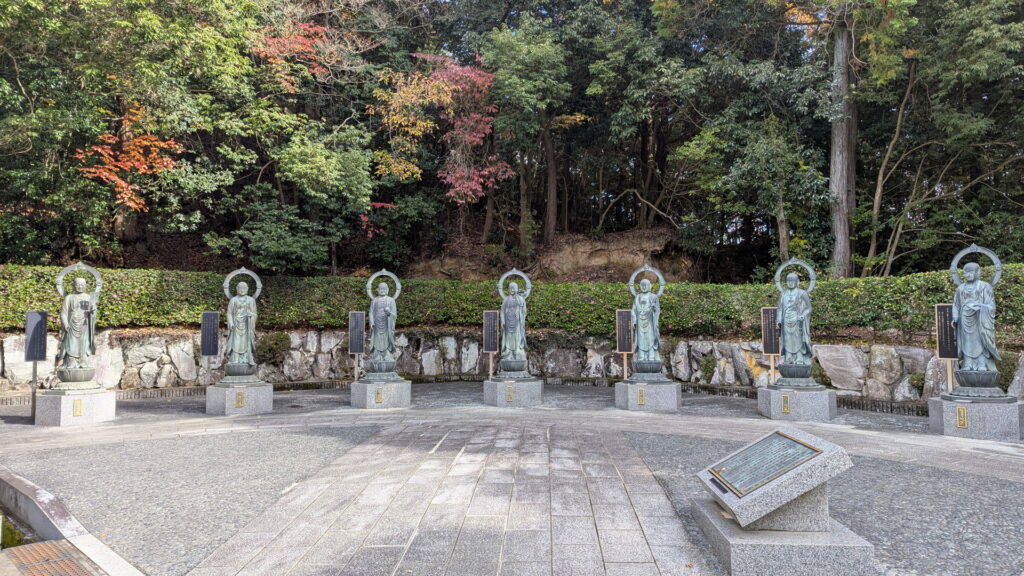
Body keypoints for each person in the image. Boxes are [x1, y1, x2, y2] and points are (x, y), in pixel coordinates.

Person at [952, 262, 1000, 371]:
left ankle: (982, 364)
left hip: (979, 317)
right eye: (965, 273)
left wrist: (980, 306)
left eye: (970, 272)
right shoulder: (960, 288)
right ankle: (967, 364)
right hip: (964, 317)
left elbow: (991, 305)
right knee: (966, 341)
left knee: (981, 339)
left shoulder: (984, 286)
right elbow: (956, 304)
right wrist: (955, 315)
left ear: (977, 273)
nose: (968, 275)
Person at [58, 277, 97, 369]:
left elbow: (92, 312)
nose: (80, 287)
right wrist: (65, 323)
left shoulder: (88, 297)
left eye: (82, 285)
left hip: (84, 324)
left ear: (86, 286)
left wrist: (93, 311)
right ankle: (71, 362)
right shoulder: (69, 298)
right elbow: (64, 312)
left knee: (84, 344)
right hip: (72, 324)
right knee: (71, 344)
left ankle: (83, 362)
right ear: (73, 286)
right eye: (78, 284)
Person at [777, 272, 812, 365]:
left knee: (798, 337)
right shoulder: (783, 294)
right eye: (788, 280)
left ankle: (799, 357)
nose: (790, 283)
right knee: (787, 338)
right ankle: (788, 357)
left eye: (792, 280)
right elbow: (780, 308)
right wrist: (779, 318)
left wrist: (803, 315)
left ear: (797, 281)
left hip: (797, 319)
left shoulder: (802, 293)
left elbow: (809, 308)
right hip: (786, 320)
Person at [226, 281, 257, 365]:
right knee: (236, 342)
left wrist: (251, 316)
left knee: (246, 342)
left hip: (247, 325)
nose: (242, 290)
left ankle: (246, 358)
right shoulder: (233, 300)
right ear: (237, 289)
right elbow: (229, 313)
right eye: (240, 288)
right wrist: (231, 323)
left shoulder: (251, 300)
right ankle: (235, 358)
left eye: (244, 288)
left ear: (247, 289)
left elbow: (254, 313)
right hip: (236, 324)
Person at [632, 278, 662, 363]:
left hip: (650, 321)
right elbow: (633, 310)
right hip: (640, 321)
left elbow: (657, 310)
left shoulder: (653, 297)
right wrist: (634, 320)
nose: (644, 287)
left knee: (650, 337)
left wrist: (653, 308)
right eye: (642, 285)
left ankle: (651, 356)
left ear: (650, 286)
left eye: (646, 285)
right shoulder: (637, 297)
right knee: (641, 338)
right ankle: (641, 356)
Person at [369, 282, 397, 363]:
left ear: (387, 290)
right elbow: (371, 312)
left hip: (387, 323)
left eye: (384, 289)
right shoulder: (374, 300)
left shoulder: (391, 300)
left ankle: (386, 354)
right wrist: (371, 322)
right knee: (377, 338)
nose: (382, 290)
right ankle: (377, 355)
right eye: (381, 289)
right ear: (377, 290)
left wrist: (389, 313)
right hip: (377, 323)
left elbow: (394, 315)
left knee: (386, 338)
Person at [500, 281, 527, 361]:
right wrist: (503, 321)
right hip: (508, 321)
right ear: (508, 289)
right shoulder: (505, 300)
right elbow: (502, 311)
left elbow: (524, 310)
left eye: (514, 288)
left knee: (517, 335)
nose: (512, 290)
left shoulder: (520, 299)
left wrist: (520, 310)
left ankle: (517, 351)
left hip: (517, 321)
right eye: (510, 288)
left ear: (517, 289)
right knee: (509, 336)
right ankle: (509, 352)